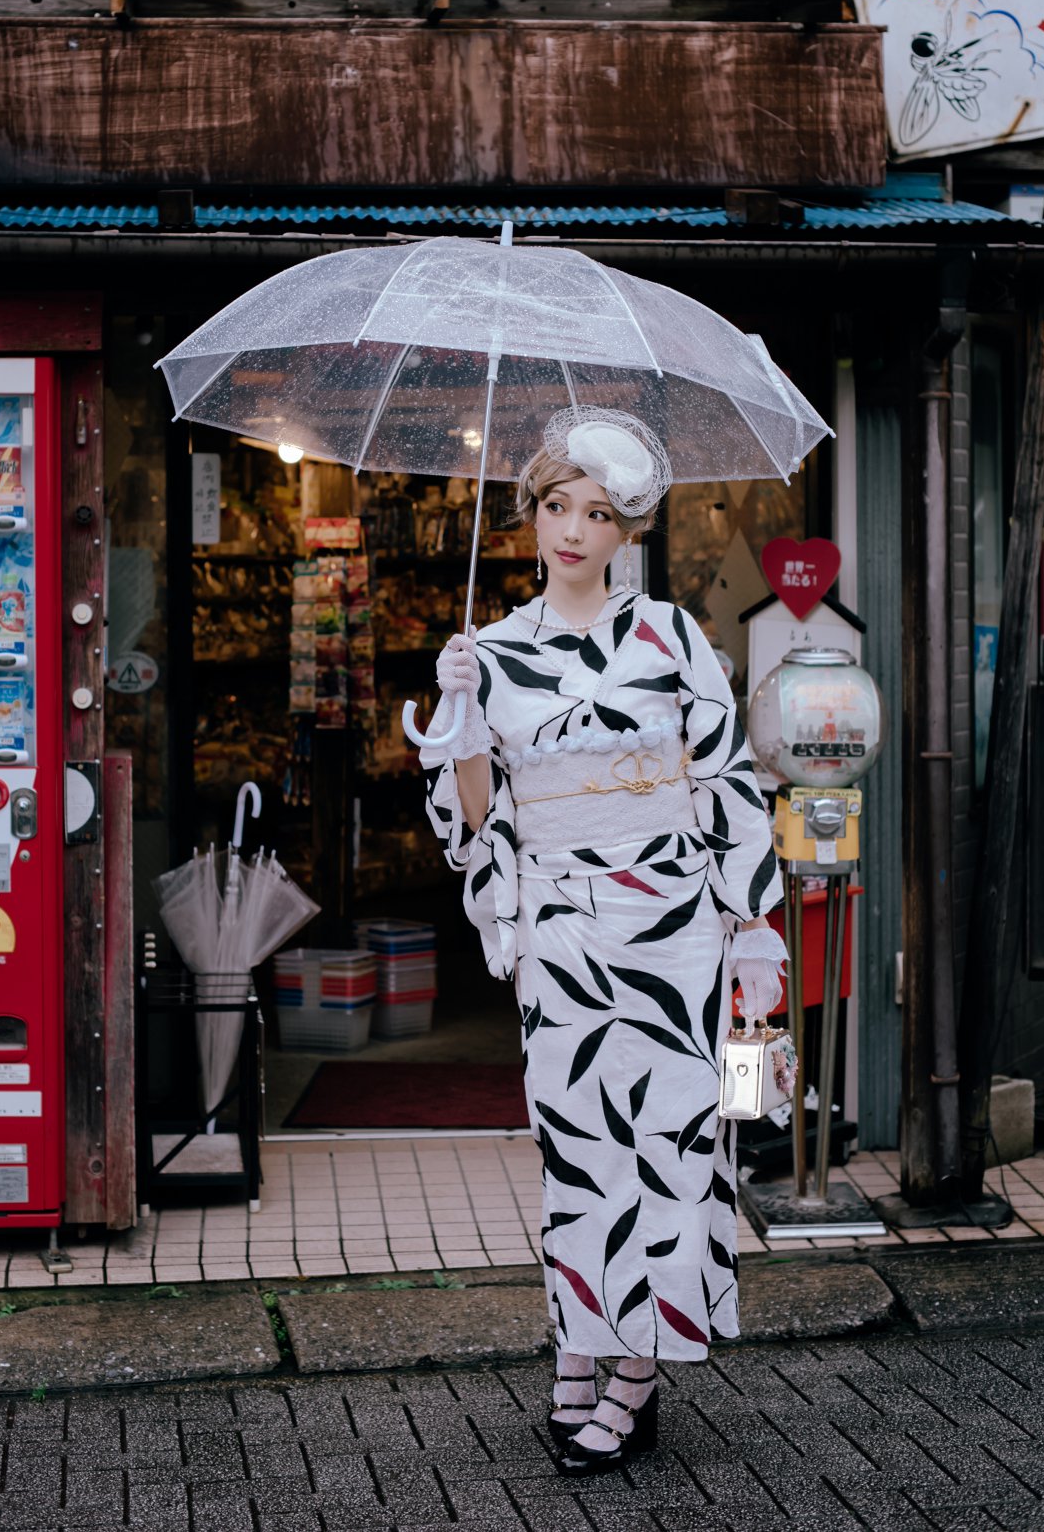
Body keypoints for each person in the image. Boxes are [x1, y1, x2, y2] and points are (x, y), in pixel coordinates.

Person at [422, 407, 786, 1475]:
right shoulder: (488, 652)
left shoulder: (673, 639)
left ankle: (638, 1368)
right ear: (530, 516)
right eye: (552, 506)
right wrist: (461, 730)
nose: (571, 529)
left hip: (673, 924)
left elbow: (725, 781)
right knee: (577, 1150)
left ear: (627, 528)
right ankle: (584, 1334)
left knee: (674, 1140)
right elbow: (476, 828)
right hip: (561, 930)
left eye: (596, 511)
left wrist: (753, 923)